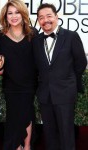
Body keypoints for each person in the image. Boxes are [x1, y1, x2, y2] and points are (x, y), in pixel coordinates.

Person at [33, 3, 87, 150]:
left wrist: (67, 80)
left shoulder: (71, 36)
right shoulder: (36, 40)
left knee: (66, 133)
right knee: (49, 133)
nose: (46, 20)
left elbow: (81, 62)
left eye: (49, 16)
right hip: (45, 94)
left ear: (57, 17)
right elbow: (36, 66)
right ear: (38, 21)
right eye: (41, 18)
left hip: (65, 93)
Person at [0, 0, 37, 150]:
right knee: (13, 117)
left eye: (17, 12)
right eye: (10, 13)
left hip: (29, 84)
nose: (13, 16)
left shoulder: (32, 34)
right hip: (10, 84)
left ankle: (27, 146)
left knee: (27, 114)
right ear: (5, 16)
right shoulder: (1, 36)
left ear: (23, 14)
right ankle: (16, 146)